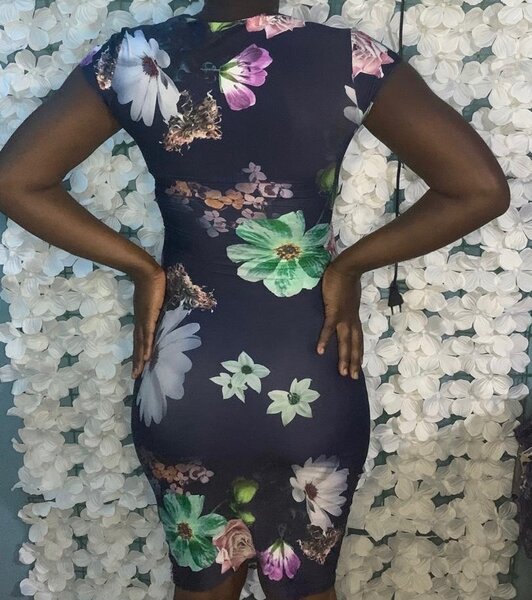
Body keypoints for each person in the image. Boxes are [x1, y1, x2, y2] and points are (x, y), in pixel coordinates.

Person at [0, 0, 510, 599]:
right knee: (307, 587)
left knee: (201, 587)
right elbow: (479, 189)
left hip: (186, 385)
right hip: (311, 374)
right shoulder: (348, 57)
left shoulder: (134, 56)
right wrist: (349, 266)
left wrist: (142, 269)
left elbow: (16, 180)